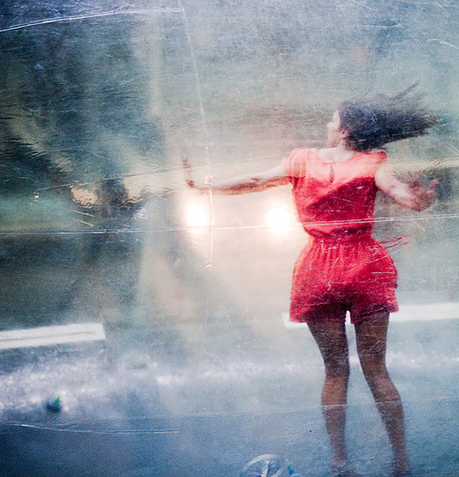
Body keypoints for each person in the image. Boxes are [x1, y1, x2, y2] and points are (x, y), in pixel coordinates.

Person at [184, 89, 438, 477]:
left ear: (345, 130)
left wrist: (205, 187)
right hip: (364, 267)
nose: (327, 124)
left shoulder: (302, 160)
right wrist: (419, 200)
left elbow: (255, 180)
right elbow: (401, 194)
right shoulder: (372, 162)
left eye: (332, 119)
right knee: (376, 370)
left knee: (335, 370)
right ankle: (401, 462)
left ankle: (339, 461)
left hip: (318, 271)